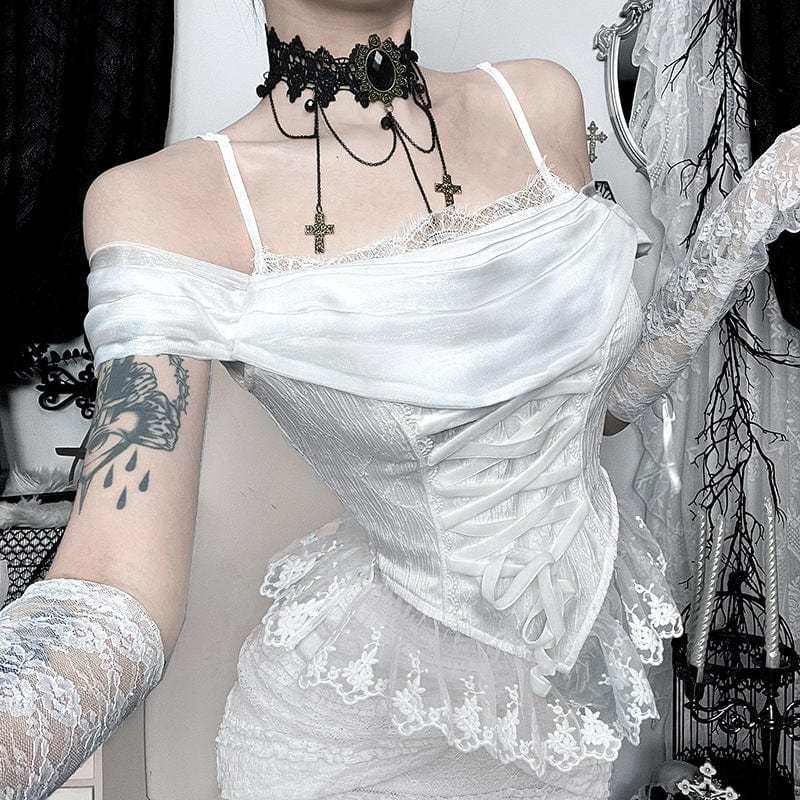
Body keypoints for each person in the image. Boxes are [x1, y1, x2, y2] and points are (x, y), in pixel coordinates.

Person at [2, 0, 799, 797]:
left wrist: (745, 221)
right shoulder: (169, 204)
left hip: (563, 727)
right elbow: (115, 578)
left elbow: (599, 412)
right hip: (359, 743)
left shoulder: (540, 103)